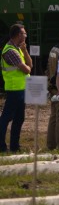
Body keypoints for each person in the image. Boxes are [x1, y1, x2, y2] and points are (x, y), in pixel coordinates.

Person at [0, 24, 32, 153]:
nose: (25, 36)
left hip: (21, 89)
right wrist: (28, 67)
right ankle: (2, 146)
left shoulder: (18, 49)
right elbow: (26, 69)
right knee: (6, 118)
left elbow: (30, 64)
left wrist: (25, 51)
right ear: (18, 35)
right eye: (24, 34)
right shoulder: (10, 51)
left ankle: (15, 146)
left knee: (19, 118)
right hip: (14, 89)